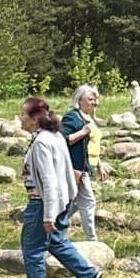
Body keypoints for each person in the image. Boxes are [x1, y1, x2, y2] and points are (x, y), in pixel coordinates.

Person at [12, 97, 103, 278]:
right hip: (61, 199)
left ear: (35, 119)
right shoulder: (55, 136)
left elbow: (49, 179)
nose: (20, 118)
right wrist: (68, 198)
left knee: (32, 247)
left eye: (24, 114)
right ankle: (89, 274)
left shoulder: (42, 142)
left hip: (43, 201)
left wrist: (48, 215)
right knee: (56, 241)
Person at [61, 85, 108, 241]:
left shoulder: (89, 118)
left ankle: (55, 225)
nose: (94, 102)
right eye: (90, 99)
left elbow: (92, 144)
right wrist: (82, 132)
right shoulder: (72, 117)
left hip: (87, 167)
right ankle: (92, 239)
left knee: (74, 202)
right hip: (76, 167)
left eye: (94, 99)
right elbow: (63, 140)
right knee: (88, 202)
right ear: (79, 100)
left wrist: (100, 164)